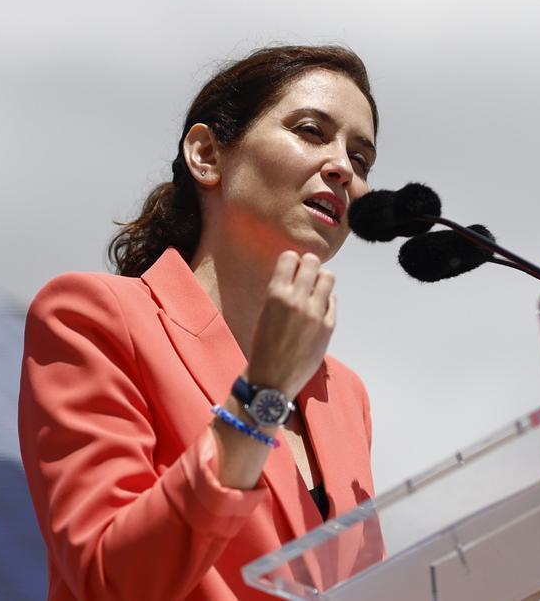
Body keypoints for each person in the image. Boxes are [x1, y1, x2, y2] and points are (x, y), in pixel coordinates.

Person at [19, 45, 380, 600]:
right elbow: (109, 580)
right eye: (311, 131)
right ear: (207, 154)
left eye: (361, 160)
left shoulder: (344, 395)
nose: (342, 169)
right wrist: (261, 393)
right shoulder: (91, 317)